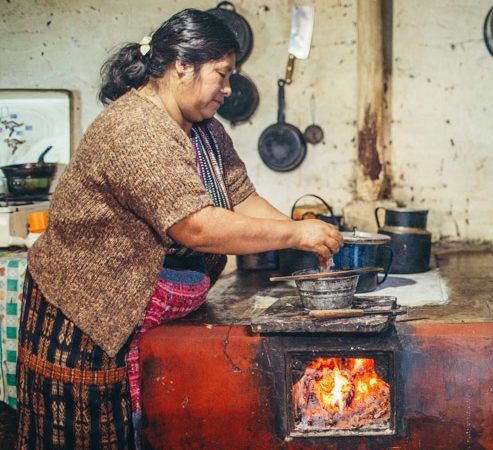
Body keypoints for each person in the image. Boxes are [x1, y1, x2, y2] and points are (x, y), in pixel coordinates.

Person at [15, 8, 343, 449]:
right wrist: (296, 235)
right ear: (182, 66)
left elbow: (242, 197)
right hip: (86, 318)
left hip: (139, 311)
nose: (228, 89)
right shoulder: (134, 127)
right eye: (222, 75)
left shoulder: (206, 129)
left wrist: (302, 231)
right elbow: (195, 227)